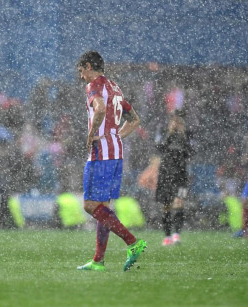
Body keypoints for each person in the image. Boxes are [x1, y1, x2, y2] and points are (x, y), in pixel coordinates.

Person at [75, 50, 146, 272]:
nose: (81, 77)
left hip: (101, 154)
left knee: (90, 205)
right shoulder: (114, 87)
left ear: (88, 66)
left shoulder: (94, 85)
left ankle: (132, 242)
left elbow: (100, 108)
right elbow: (134, 119)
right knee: (103, 206)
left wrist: (92, 133)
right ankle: (98, 260)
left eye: (81, 71)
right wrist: (115, 136)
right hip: (116, 152)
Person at [155, 112, 193, 246]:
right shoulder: (163, 132)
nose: (176, 124)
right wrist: (169, 134)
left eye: (178, 121)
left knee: (179, 202)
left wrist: (183, 136)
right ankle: (167, 236)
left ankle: (176, 234)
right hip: (165, 174)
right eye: (174, 121)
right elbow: (158, 147)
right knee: (166, 206)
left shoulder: (187, 135)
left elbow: (191, 152)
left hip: (181, 175)